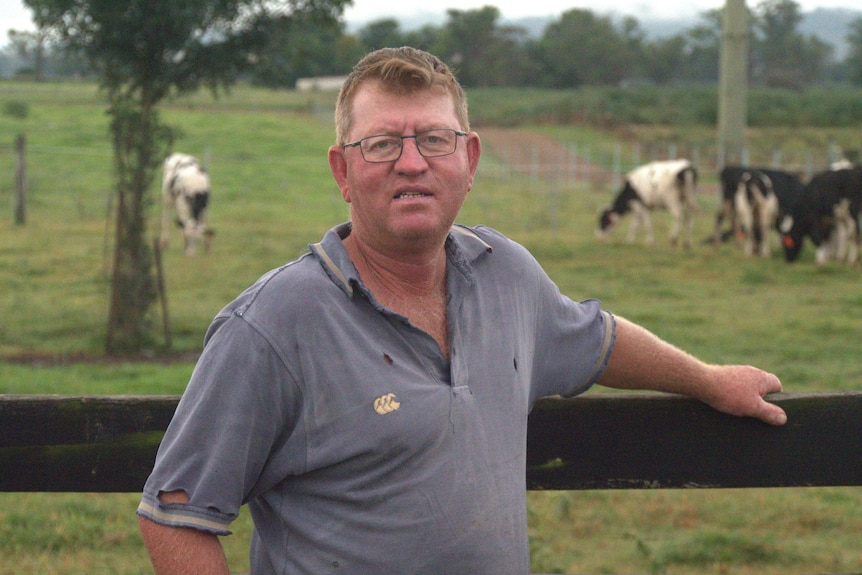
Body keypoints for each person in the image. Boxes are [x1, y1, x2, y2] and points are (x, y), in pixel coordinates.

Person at [137, 46, 787, 575]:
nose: (412, 162)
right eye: (383, 144)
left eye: (433, 139)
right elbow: (174, 514)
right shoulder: (274, 322)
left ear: (469, 159)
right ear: (342, 169)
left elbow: (597, 339)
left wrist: (709, 379)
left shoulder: (506, 276)